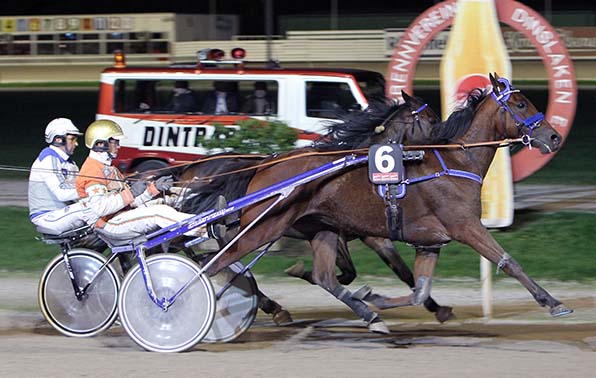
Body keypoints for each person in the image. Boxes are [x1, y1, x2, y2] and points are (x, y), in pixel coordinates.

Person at [75, 119, 205, 240]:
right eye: (115, 142)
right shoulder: (92, 170)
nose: (118, 146)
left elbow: (132, 202)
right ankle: (202, 229)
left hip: (122, 215)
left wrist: (154, 189)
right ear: (100, 144)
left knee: (169, 199)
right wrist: (131, 192)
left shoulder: (109, 168)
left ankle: (206, 212)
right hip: (108, 224)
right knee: (159, 213)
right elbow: (100, 208)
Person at [28, 118, 94, 234]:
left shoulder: (70, 163)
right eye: (72, 139)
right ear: (59, 139)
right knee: (90, 208)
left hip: (61, 213)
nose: (76, 143)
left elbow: (78, 191)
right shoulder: (48, 160)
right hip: (47, 216)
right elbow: (62, 194)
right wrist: (92, 189)